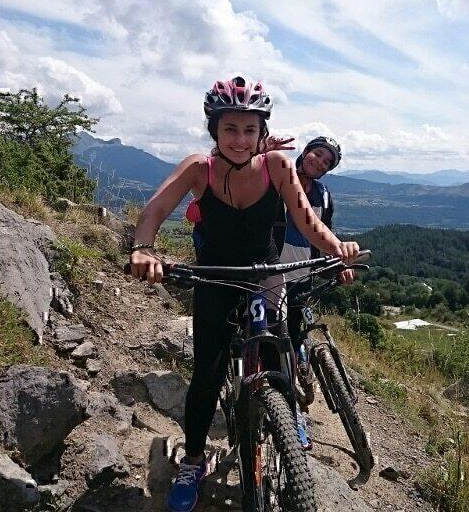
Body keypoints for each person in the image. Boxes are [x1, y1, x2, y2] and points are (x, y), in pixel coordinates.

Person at [129, 76, 359, 512]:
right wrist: (143, 248)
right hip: (215, 277)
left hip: (266, 273)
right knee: (207, 374)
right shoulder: (200, 168)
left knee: (280, 355)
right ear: (215, 129)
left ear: (260, 133)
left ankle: (287, 426)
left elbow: (308, 221)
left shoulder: (276, 166)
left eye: (249, 130)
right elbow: (155, 209)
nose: (240, 139)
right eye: (230, 129)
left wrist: (337, 250)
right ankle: (194, 461)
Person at [277, 137, 354, 450]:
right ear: (305, 151)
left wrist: (338, 265)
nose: (320, 162)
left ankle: (292, 411)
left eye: (328, 162)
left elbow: (326, 234)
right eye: (318, 154)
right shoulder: (277, 176)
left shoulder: (324, 196)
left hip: (300, 276)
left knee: (291, 339)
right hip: (265, 271)